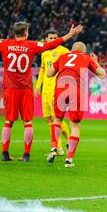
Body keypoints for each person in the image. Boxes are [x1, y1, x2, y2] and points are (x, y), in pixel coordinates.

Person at [0, 13, 83, 162]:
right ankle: (26, 155)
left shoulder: (5, 43)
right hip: (25, 88)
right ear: (26, 33)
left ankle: (5, 153)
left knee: (8, 121)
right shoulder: (31, 45)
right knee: (28, 122)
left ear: (14, 33)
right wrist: (70, 34)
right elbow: (50, 45)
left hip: (9, 87)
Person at [46, 42, 106, 167]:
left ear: (72, 50)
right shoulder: (86, 58)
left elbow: (49, 73)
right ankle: (69, 160)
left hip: (61, 87)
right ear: (83, 51)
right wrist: (96, 62)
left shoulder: (63, 56)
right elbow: (102, 74)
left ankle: (53, 149)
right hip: (77, 89)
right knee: (75, 125)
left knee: (57, 119)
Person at [35, 29, 70, 157]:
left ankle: (67, 140)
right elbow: (42, 69)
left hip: (57, 90)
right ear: (46, 39)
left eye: (55, 37)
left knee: (57, 118)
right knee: (49, 119)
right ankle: (59, 148)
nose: (53, 40)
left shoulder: (64, 51)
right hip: (46, 90)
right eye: (50, 38)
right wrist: (38, 86)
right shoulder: (44, 52)